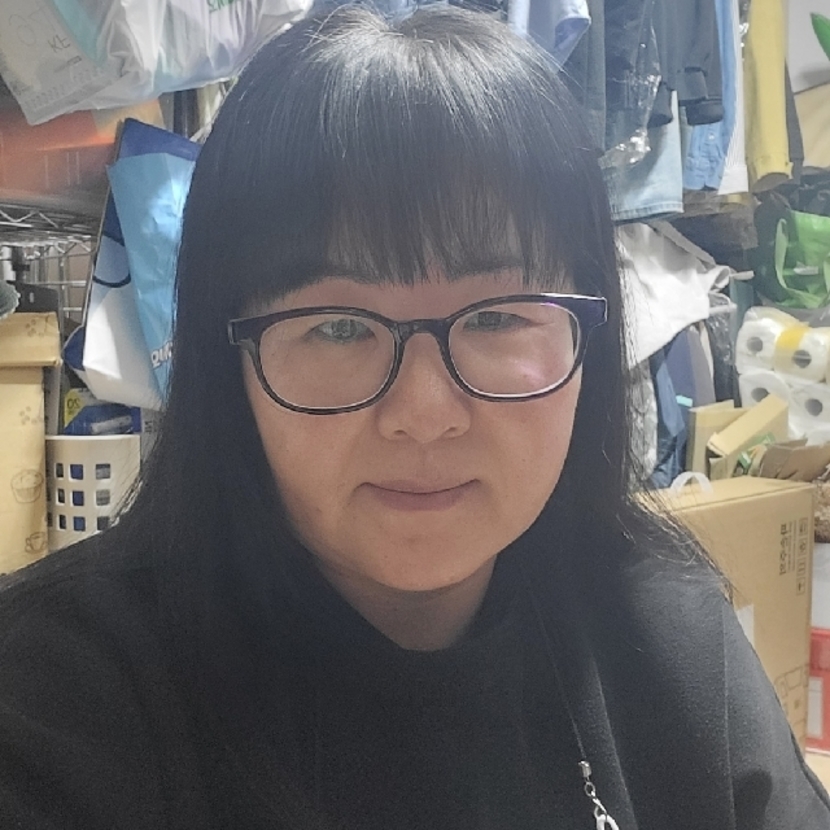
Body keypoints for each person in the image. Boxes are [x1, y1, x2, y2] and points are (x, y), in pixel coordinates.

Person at [1, 5, 828, 829]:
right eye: (337, 328)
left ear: (592, 333)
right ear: (229, 362)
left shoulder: (673, 648)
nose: (425, 415)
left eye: (497, 318)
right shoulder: (55, 696)